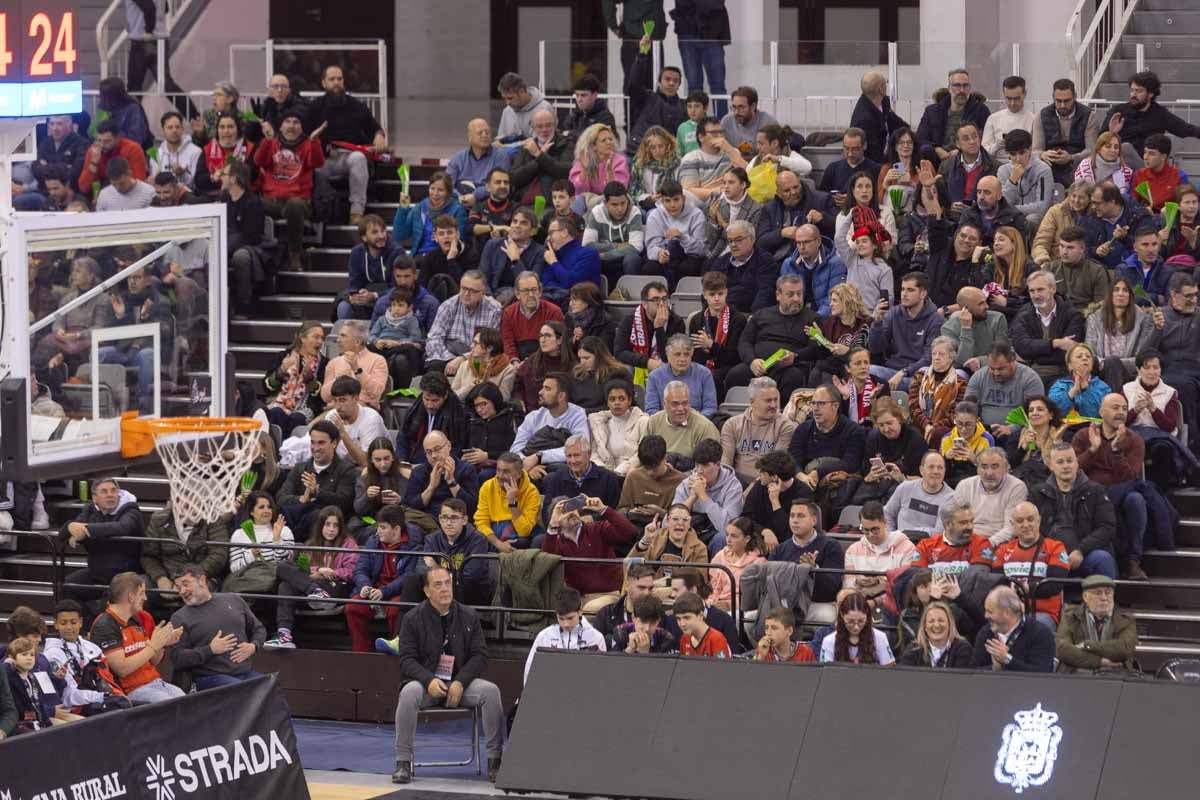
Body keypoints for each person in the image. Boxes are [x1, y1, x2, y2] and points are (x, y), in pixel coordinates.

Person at [391, 567, 504, 784]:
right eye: (438, 585)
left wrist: (460, 682)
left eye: (447, 583)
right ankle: (402, 762)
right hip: (427, 685)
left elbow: (480, 655)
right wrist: (428, 680)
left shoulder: (469, 615)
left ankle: (495, 761)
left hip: (460, 683)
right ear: (426, 591)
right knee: (408, 692)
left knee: (491, 691)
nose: (444, 589)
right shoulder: (412, 618)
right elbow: (406, 660)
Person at [264, 507, 359, 649]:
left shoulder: (349, 544)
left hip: (335, 587)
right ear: (320, 525)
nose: (331, 529)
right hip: (312, 588)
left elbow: (352, 572)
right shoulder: (311, 544)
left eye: (335, 525)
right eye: (327, 524)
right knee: (283, 575)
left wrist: (332, 572)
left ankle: (317, 592)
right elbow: (304, 570)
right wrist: (318, 571)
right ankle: (284, 635)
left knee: (289, 580)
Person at [86, 573, 183, 704]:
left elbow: (152, 661)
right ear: (131, 597)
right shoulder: (105, 625)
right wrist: (153, 646)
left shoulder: (135, 619)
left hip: (154, 682)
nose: (145, 598)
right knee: (171, 706)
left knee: (188, 702)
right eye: (142, 593)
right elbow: (122, 669)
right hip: (129, 691)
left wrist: (162, 643)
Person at [309, 64, 388, 224]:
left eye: (340, 79)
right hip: (323, 159)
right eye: (332, 79)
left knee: (358, 158)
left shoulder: (356, 106)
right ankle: (321, 213)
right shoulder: (314, 107)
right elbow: (305, 136)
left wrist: (379, 135)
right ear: (323, 83)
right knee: (311, 168)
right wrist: (318, 143)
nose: (337, 82)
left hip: (349, 157)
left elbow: (375, 128)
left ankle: (356, 213)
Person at [1028, 442, 1119, 580]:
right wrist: (1051, 552)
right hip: (1048, 555)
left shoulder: (1095, 491)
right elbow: (1031, 528)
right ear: (1051, 465)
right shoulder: (1038, 493)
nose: (1066, 466)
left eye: (1070, 461)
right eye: (1060, 462)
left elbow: (1107, 527)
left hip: (1086, 554)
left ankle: (1104, 600)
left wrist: (1081, 550)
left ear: (1077, 463)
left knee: (1103, 559)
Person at [168, 564, 266, 690]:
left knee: (269, 688)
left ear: (202, 580)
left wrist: (254, 646)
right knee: (241, 691)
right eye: (178, 587)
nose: (182, 591)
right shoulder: (180, 618)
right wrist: (210, 649)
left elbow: (259, 629)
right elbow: (178, 659)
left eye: (186, 584)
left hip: (245, 672)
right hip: (209, 677)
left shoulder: (234, 600)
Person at [58, 477, 144, 621]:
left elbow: (122, 527)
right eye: (104, 492)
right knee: (67, 586)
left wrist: (86, 529)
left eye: (113, 491)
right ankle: (85, 626)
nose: (110, 495)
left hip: (124, 575)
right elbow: (63, 533)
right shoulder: (90, 510)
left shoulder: (131, 510)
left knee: (109, 601)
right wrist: (70, 527)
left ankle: (98, 627)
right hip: (97, 571)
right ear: (95, 498)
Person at [724, 274, 820, 401]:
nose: (796, 299)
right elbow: (744, 341)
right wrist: (752, 361)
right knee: (734, 374)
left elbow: (814, 348)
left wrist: (796, 356)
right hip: (759, 365)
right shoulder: (761, 315)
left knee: (794, 377)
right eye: (790, 294)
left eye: (799, 294)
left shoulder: (812, 318)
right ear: (778, 295)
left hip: (789, 367)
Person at [254, 108, 325, 268]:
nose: (291, 126)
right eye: (287, 121)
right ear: (280, 126)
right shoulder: (271, 142)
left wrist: (314, 141)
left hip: (299, 202)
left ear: (301, 127)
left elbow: (318, 163)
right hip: (272, 201)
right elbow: (259, 161)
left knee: (294, 204)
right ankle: (258, 252)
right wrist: (267, 140)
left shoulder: (308, 144)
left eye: (296, 122)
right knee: (251, 202)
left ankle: (295, 254)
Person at [541, 494, 637, 612]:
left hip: (607, 595)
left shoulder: (597, 529)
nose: (571, 513)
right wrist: (553, 525)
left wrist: (603, 510)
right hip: (576, 599)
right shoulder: (556, 541)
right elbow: (546, 561)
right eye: (563, 511)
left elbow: (630, 532)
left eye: (573, 508)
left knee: (589, 610)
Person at [1102, 70, 1200, 168]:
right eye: (1132, 90)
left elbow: (1185, 129)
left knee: (1127, 148)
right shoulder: (1118, 112)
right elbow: (1100, 143)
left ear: (1150, 94)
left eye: (1139, 91)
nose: (1133, 95)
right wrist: (1111, 133)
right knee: (1123, 148)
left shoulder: (1160, 114)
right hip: (1118, 165)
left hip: (1147, 166)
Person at [278, 420, 359, 535]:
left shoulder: (346, 470)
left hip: (329, 530)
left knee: (316, 515)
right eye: (313, 442)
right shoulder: (300, 468)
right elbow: (281, 497)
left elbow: (344, 503)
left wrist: (318, 493)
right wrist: (302, 499)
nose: (315, 448)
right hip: (298, 520)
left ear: (334, 443)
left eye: (321, 443)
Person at [868, 271, 942, 393]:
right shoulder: (894, 313)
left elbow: (929, 358)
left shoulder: (935, 320)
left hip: (917, 376)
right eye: (902, 289)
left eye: (910, 290)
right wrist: (877, 323)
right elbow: (876, 348)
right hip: (892, 371)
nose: (904, 294)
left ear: (923, 294)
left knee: (920, 383)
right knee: (868, 371)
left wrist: (904, 372)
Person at [1011, 270, 1087, 388]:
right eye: (1032, 291)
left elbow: (1069, 352)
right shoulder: (1023, 315)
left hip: (1062, 373)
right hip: (1030, 372)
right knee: (1016, 392)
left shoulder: (1072, 315)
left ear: (1053, 289)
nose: (1036, 295)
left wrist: (1034, 355)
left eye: (1040, 289)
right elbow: (1021, 347)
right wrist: (1055, 343)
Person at [425, 271, 503, 377]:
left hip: (478, 357)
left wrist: (463, 359)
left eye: (473, 291)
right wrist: (449, 359)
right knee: (434, 366)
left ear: (483, 292)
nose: (466, 294)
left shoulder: (494, 310)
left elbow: (491, 345)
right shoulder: (448, 305)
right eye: (464, 288)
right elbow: (434, 338)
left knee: (481, 366)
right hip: (447, 353)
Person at [1056, 574, 1138, 674]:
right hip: (1077, 675)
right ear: (1085, 597)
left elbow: (1124, 649)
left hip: (1115, 675)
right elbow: (1063, 650)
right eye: (1098, 593)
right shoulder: (1071, 617)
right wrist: (1099, 662)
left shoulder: (1126, 620)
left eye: (1108, 593)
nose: (1104, 598)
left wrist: (1088, 645)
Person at [720, 376, 796, 484]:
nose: (774, 405)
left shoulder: (785, 426)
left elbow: (775, 468)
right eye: (768, 401)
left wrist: (751, 490)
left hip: (766, 484)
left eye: (775, 400)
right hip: (735, 483)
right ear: (752, 402)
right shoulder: (732, 424)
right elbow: (725, 464)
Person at [524, 588, 606, 685]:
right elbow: (530, 671)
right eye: (561, 618)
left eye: (570, 618)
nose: (566, 624)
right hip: (551, 690)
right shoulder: (544, 636)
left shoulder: (595, 637)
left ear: (580, 611)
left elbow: (601, 674)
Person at [672, 438, 744, 549]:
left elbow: (728, 527)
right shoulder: (687, 484)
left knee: (723, 538)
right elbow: (668, 524)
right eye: (697, 465)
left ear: (717, 465)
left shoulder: (733, 487)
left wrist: (703, 496)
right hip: (692, 529)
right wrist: (692, 497)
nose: (699, 471)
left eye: (705, 466)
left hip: (714, 533)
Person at [403, 431, 481, 527]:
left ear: (448, 446)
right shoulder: (418, 472)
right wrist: (431, 487)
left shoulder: (466, 469)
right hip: (427, 520)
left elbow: (471, 507)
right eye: (429, 452)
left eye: (437, 449)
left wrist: (451, 482)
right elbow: (411, 506)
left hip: (455, 520)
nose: (434, 456)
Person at [758, 168, 837, 261]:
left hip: (815, 259)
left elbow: (838, 230)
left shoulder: (822, 200)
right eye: (787, 190)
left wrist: (823, 219)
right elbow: (760, 242)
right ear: (778, 193)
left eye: (796, 187)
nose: (794, 192)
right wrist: (781, 233)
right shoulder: (770, 208)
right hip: (778, 261)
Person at [971, 585, 1055, 672]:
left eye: (990, 612)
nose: (986, 616)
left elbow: (1041, 674)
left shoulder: (1040, 634)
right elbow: (973, 671)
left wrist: (1007, 660)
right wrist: (994, 668)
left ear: (1007, 613)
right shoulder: (986, 632)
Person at [963, 342, 1044, 432]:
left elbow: (1035, 414)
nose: (996, 373)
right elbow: (967, 408)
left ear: (1013, 361)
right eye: (992, 368)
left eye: (1001, 369)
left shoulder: (1030, 379)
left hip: (1018, 432)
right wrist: (979, 427)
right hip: (982, 430)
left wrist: (1011, 429)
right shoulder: (979, 377)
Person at [916, 68, 991, 165]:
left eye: (965, 85)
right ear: (949, 88)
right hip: (937, 159)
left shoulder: (980, 111)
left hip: (967, 159)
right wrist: (937, 149)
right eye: (957, 85)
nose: (962, 90)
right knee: (925, 149)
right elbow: (920, 138)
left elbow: (986, 140)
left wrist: (961, 150)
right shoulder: (932, 111)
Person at [395, 371, 469, 466]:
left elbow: (458, 447)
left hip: (442, 463)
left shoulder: (458, 414)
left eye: (435, 401)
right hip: (413, 459)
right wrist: (402, 461)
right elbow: (403, 438)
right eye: (426, 399)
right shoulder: (414, 409)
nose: (429, 405)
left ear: (445, 396)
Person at [843, 501, 916, 595]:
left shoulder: (907, 548)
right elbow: (847, 585)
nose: (870, 534)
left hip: (892, 603)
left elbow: (906, 585)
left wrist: (880, 582)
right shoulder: (852, 550)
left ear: (885, 523)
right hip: (859, 602)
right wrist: (857, 582)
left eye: (874, 529)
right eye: (865, 530)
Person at [474, 452, 543, 552]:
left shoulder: (531, 492)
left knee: (521, 541)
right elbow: (481, 522)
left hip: (520, 534)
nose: (500, 476)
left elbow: (524, 531)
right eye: (498, 470)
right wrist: (499, 544)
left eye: (506, 472)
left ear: (519, 474)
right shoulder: (487, 487)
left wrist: (512, 503)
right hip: (494, 532)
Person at [643, 179, 707, 285]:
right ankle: (658, 299)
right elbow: (651, 247)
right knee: (649, 268)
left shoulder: (696, 214)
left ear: (683, 198)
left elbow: (701, 250)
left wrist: (683, 237)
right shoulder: (654, 216)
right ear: (662, 201)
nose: (672, 205)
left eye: (676, 200)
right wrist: (659, 253)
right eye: (667, 201)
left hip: (688, 257)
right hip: (666, 256)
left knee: (688, 267)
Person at [641, 380, 721, 463]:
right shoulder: (654, 421)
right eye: (675, 404)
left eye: (685, 403)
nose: (681, 409)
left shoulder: (704, 427)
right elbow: (644, 455)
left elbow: (707, 468)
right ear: (664, 404)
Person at [394, 175, 469, 263]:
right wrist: (403, 210)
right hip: (420, 256)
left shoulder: (457, 210)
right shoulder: (419, 208)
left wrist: (442, 238)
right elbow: (399, 236)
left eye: (440, 190)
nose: (435, 193)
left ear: (448, 192)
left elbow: (461, 239)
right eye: (432, 188)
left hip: (444, 256)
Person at [908, 337, 967, 446]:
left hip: (945, 427)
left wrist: (934, 427)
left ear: (951, 358)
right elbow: (913, 407)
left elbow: (956, 414)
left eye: (941, 354)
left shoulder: (960, 383)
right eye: (934, 354)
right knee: (910, 432)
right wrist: (926, 425)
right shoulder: (919, 376)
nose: (936, 358)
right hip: (921, 424)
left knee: (937, 433)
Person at [615, 280, 685, 374]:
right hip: (638, 365)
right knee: (624, 369)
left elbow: (670, 356)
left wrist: (659, 329)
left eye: (664, 299)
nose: (661, 304)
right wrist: (647, 362)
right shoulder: (630, 320)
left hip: (665, 367)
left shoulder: (677, 322)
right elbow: (620, 352)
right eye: (656, 300)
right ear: (644, 304)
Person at [709, 219, 776, 314]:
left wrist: (753, 319)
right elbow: (709, 290)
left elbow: (765, 295)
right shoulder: (721, 262)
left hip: (748, 316)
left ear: (752, 239)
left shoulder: (765, 261)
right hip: (720, 315)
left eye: (738, 240)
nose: (733, 245)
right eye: (730, 241)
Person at [630, 503, 710, 583]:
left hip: (680, 593)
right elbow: (631, 568)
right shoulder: (654, 537)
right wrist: (645, 541)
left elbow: (700, 582)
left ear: (689, 523)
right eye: (675, 519)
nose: (680, 523)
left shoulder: (699, 548)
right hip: (650, 589)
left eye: (685, 520)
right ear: (667, 521)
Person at [542, 435, 623, 512]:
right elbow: (547, 512)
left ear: (589, 454)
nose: (573, 461)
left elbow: (614, 513)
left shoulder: (608, 479)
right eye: (569, 456)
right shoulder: (556, 478)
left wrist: (593, 519)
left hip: (597, 525)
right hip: (564, 526)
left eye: (577, 455)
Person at [509, 108, 574, 203]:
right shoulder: (527, 147)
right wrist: (539, 159)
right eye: (539, 126)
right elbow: (514, 179)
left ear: (555, 125)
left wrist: (539, 155)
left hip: (553, 203)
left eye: (548, 125)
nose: (544, 130)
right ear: (533, 127)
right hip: (524, 202)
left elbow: (565, 173)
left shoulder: (566, 144)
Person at [321, 320, 388, 410]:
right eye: (339, 335)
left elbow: (376, 392)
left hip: (364, 410)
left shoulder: (378, 360)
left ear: (357, 341)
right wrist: (338, 379)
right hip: (335, 410)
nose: (338, 340)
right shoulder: (334, 362)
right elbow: (325, 397)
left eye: (343, 336)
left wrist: (357, 370)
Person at [645, 334, 718, 416]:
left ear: (691, 355)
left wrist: (694, 421)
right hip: (665, 424)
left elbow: (710, 408)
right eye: (677, 354)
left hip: (696, 423)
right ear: (668, 356)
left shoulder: (704, 374)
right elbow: (651, 410)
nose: (682, 359)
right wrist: (671, 422)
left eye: (686, 354)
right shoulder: (654, 377)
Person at [941, 287, 1009, 374]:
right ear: (966, 308)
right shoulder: (948, 328)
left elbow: (1002, 352)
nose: (987, 306)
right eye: (981, 304)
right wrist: (966, 329)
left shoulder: (997, 319)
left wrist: (980, 361)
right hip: (963, 373)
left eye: (985, 301)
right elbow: (960, 362)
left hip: (992, 368)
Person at [883, 451, 954, 535]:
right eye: (931, 467)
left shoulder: (951, 498)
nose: (936, 471)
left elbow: (940, 531)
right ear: (921, 470)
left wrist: (909, 533)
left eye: (940, 468)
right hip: (899, 543)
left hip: (929, 545)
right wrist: (891, 537)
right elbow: (888, 514)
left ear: (944, 471)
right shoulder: (905, 487)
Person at [446, 119, 513, 204]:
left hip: (489, 203)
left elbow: (500, 185)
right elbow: (447, 184)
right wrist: (460, 198)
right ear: (470, 137)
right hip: (459, 202)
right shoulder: (458, 158)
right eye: (480, 133)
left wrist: (475, 196)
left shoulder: (501, 156)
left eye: (487, 132)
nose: (485, 135)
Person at [370, 288, 425, 390]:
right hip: (383, 348)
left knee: (408, 349)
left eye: (401, 305)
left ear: (409, 307)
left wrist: (397, 343)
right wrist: (377, 341)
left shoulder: (412, 320)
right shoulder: (382, 319)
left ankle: (409, 383)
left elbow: (415, 338)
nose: (396, 308)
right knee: (368, 347)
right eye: (394, 305)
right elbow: (372, 334)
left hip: (399, 347)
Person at [1086, 183, 1151, 269]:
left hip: (1133, 271)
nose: (1093, 207)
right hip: (1101, 273)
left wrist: (1125, 238)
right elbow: (1081, 248)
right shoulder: (1090, 217)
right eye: (1092, 202)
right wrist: (1095, 251)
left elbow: (1149, 248)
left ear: (1112, 202)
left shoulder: (1138, 216)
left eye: (1097, 203)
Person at [819, 591, 895, 664]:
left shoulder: (880, 638)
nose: (856, 627)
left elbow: (889, 670)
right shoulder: (829, 641)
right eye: (850, 621)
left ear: (867, 616)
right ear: (842, 615)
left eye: (861, 621)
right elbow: (824, 672)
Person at [708, 516, 765, 613]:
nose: (728, 540)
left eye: (734, 536)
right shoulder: (720, 555)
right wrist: (711, 602)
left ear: (747, 539)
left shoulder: (758, 563)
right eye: (727, 535)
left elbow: (755, 598)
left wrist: (730, 605)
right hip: (715, 605)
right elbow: (712, 588)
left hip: (741, 611)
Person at [850, 70, 909, 165]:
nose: (886, 85)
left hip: (893, 155)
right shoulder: (864, 120)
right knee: (902, 171)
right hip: (879, 165)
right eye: (885, 82)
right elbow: (874, 155)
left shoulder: (883, 103)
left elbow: (902, 127)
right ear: (880, 89)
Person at [677, 116, 738, 204]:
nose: (720, 136)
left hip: (731, 202)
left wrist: (729, 150)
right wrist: (717, 191)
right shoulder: (691, 158)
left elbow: (748, 175)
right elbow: (688, 191)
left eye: (721, 132)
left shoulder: (732, 153)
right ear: (701, 137)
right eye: (714, 133)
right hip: (701, 205)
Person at [1032, 180, 1094, 267]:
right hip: (1056, 263)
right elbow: (1041, 242)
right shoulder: (1055, 212)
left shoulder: (1095, 215)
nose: (1076, 200)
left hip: (1086, 265)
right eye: (1073, 196)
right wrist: (1044, 262)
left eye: (1081, 198)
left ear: (1090, 199)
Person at [997, 129, 1053, 224]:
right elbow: (1002, 204)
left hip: (1035, 218)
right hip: (1010, 218)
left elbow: (1042, 206)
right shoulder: (1003, 171)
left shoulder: (1043, 170)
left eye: (1022, 153)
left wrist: (1012, 210)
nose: (1018, 159)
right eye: (1013, 154)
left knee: (1030, 219)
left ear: (1030, 149)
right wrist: (1012, 181)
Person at [78, 119, 148, 192]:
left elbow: (139, 184)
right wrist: (93, 163)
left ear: (118, 138)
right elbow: (84, 188)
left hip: (125, 189)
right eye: (99, 140)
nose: (102, 145)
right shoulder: (94, 151)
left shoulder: (132, 149)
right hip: (100, 191)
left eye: (107, 141)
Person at [1048, 343, 1111, 419]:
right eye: (1079, 356)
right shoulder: (1059, 385)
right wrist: (1073, 392)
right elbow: (1055, 413)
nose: (1085, 358)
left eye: (1088, 356)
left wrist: (1085, 390)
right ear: (1070, 365)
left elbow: (1098, 415)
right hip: (1066, 429)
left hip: (1092, 428)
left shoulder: (1103, 387)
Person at [982, 75, 1035, 163]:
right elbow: (983, 151)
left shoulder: (1034, 119)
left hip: (1025, 165)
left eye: (1017, 98)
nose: (1012, 103)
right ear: (1004, 95)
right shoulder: (993, 119)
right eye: (1008, 99)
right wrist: (997, 146)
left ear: (1024, 94)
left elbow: (1037, 151)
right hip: (998, 166)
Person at [571, 336, 631, 414]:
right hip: (578, 419)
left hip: (606, 417)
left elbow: (615, 404)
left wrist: (583, 413)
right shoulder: (577, 373)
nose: (582, 362)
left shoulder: (617, 373)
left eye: (586, 358)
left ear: (599, 356)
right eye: (580, 358)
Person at [149, 110, 204, 190]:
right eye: (170, 127)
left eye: (177, 127)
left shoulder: (196, 152)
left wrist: (183, 174)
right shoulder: (156, 154)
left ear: (182, 129)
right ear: (162, 131)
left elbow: (197, 185)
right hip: (162, 198)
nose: (174, 131)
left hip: (188, 198)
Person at [570, 124, 629, 197]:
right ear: (593, 146)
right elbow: (578, 191)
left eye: (610, 139)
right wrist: (585, 170)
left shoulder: (620, 161)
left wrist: (610, 174)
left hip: (610, 200)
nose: (609, 142)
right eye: (603, 140)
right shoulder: (584, 159)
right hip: (588, 201)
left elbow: (619, 192)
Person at [673, 591, 731, 657]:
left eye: (687, 618)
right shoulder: (684, 639)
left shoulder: (716, 639)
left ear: (700, 616)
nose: (682, 624)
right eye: (678, 619)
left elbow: (722, 667)